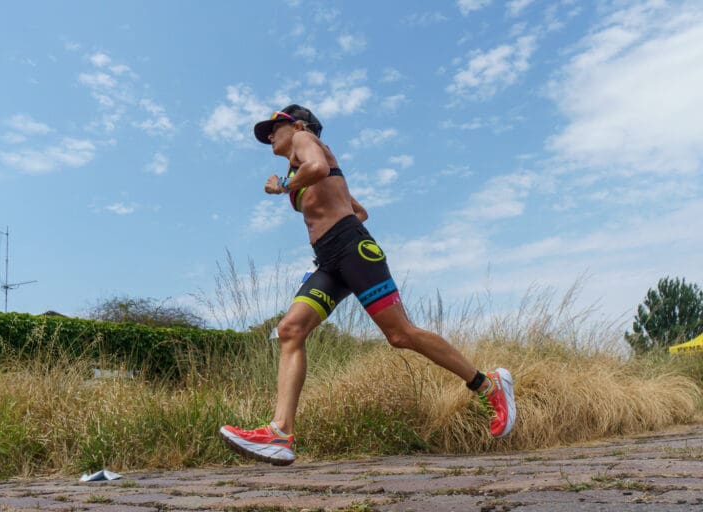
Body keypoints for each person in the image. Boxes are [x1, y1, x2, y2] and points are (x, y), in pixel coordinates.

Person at [219, 104, 516, 466]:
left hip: (352, 250)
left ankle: (487, 384)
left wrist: (284, 187)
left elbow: (319, 169)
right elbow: (359, 208)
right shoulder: (295, 161)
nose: (269, 136)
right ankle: (280, 433)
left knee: (400, 334)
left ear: (295, 124)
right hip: (331, 260)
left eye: (274, 127)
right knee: (290, 329)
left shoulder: (303, 139)